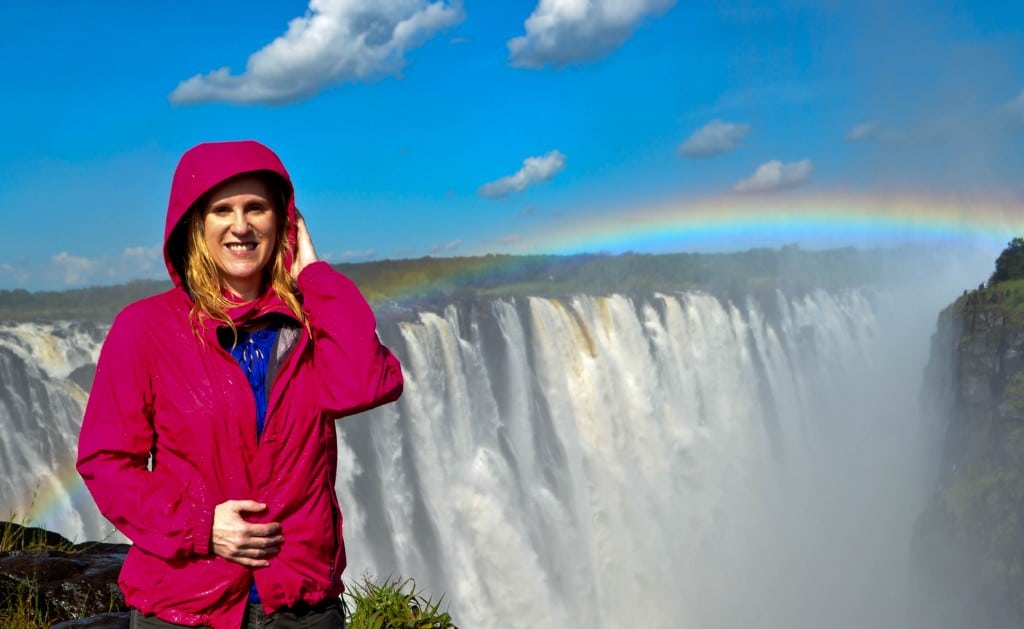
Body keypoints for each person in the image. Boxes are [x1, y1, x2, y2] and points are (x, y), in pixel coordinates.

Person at [77, 140, 404, 629]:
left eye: (257, 208)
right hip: (184, 608)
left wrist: (314, 275)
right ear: (195, 225)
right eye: (222, 210)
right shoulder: (144, 329)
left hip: (303, 606)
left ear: (284, 221)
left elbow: (364, 384)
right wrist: (200, 526)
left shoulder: (312, 324)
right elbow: (105, 462)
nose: (241, 225)